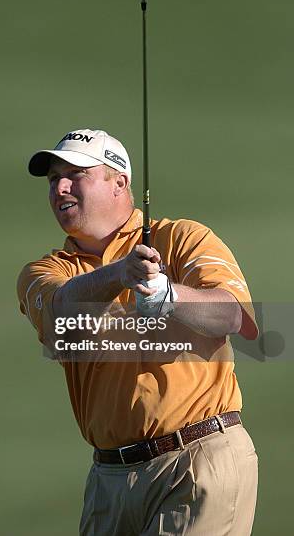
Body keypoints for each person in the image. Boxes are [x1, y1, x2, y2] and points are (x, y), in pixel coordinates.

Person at [17, 128, 258, 536]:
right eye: (53, 178)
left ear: (119, 183)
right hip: (108, 479)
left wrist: (169, 296)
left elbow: (232, 315)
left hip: (197, 458)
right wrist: (121, 274)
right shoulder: (46, 272)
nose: (60, 187)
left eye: (76, 174)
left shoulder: (182, 238)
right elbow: (59, 315)